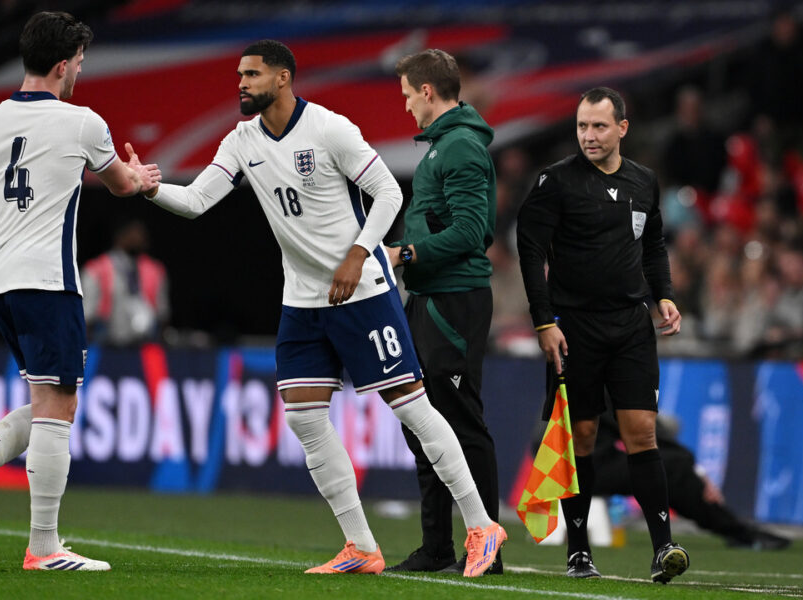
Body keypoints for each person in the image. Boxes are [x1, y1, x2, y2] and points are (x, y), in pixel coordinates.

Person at [144, 39, 506, 577]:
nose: (241, 83)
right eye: (239, 75)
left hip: (362, 293)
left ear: (283, 78)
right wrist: (147, 189)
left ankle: (481, 526)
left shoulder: (330, 128)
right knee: (306, 419)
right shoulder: (241, 140)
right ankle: (361, 545)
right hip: (302, 301)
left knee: (412, 408)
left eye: (252, 74)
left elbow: (388, 193)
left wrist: (359, 255)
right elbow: (197, 201)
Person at [0, 11, 157, 571]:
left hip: (1, 283)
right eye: (78, 61)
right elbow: (124, 185)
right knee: (59, 407)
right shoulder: (83, 122)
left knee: (47, 402)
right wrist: (143, 178)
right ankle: (44, 547)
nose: (80, 69)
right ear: (62, 64)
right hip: (50, 283)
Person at [516, 87, 689, 584]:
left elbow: (653, 244)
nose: (589, 136)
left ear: (622, 129)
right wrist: (544, 321)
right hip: (575, 328)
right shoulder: (556, 182)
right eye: (581, 127)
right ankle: (578, 550)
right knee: (583, 437)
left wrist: (665, 295)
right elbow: (530, 251)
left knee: (642, 432)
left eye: (598, 126)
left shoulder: (644, 181)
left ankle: (663, 548)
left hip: (632, 325)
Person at [384, 49, 501, 575]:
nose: (406, 105)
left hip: (455, 300)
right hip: (430, 298)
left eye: (408, 94)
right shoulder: (442, 146)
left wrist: (405, 253)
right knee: (422, 422)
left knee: (460, 421)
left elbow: (472, 233)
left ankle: (486, 544)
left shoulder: (459, 148)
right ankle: (437, 546)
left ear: (427, 91)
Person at [592, 411, 790, 551]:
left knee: (666, 465)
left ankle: (735, 529)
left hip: (589, 463)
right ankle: (736, 530)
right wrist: (696, 468)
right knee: (672, 466)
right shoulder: (602, 376)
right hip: (585, 467)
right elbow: (641, 428)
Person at [81, 219, 170, 346]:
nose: (140, 238)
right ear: (120, 236)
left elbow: (162, 312)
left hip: (146, 346)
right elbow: (87, 315)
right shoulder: (96, 270)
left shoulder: (155, 269)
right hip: (105, 345)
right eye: (134, 234)